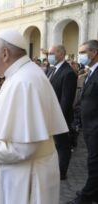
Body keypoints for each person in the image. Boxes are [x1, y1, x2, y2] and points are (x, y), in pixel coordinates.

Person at [0, 29, 68, 204]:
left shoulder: (23, 81)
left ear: (5, 54)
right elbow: (5, 106)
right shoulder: (23, 73)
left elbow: (23, 148)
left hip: (24, 179)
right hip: (23, 174)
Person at [67, 40, 98, 204]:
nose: (80, 56)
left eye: (83, 52)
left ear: (93, 52)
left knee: (94, 162)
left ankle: (86, 196)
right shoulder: (90, 72)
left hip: (95, 127)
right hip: (89, 127)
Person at [47, 45, 77, 180]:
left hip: (60, 116)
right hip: (49, 114)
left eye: (51, 53)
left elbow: (66, 100)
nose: (49, 56)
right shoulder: (51, 70)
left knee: (63, 145)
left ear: (60, 54)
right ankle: (52, 168)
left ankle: (61, 173)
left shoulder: (68, 72)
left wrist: (57, 118)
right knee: (54, 144)